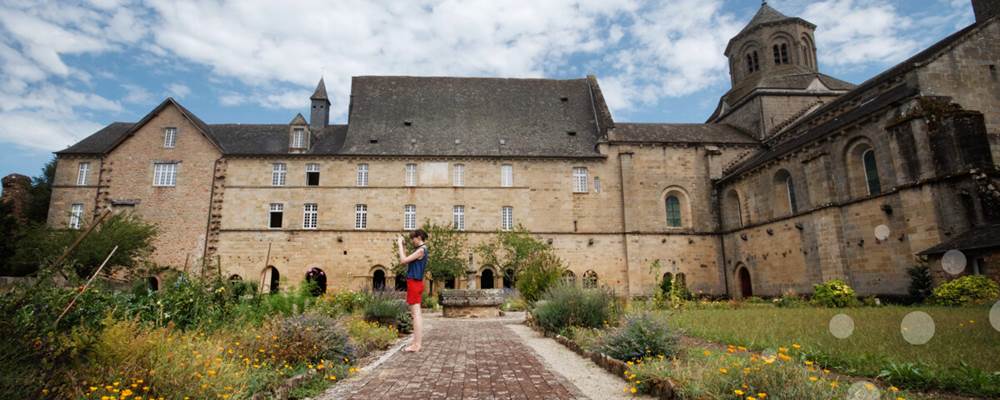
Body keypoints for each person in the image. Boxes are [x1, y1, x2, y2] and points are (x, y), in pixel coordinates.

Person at [396, 229, 428, 352]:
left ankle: (416, 345)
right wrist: (403, 247)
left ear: (419, 237)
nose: (412, 241)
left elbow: (403, 261)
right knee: (417, 314)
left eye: (413, 239)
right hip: (416, 283)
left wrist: (399, 244)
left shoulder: (421, 250)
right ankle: (416, 343)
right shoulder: (421, 250)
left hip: (414, 283)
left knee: (416, 315)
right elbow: (405, 260)